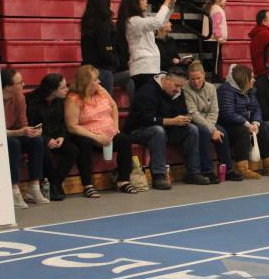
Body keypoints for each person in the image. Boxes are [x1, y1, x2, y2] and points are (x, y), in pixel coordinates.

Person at [0, 68, 48, 207]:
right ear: (8, 87)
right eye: (20, 83)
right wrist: (19, 132)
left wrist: (30, 132)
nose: (23, 84)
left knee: (36, 141)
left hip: (10, 135)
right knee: (12, 143)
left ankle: (34, 187)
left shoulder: (20, 97)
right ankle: (13, 189)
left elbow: (22, 123)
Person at [125, 67, 210, 189]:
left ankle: (193, 173)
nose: (178, 90)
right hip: (138, 129)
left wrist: (183, 119)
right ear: (166, 79)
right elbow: (145, 119)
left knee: (192, 129)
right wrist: (172, 121)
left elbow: (182, 111)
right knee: (158, 131)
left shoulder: (177, 92)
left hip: (166, 128)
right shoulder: (147, 91)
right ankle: (158, 176)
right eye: (176, 86)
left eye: (181, 86)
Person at [65, 65, 136, 197]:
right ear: (86, 82)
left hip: (107, 133)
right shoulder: (73, 99)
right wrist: (95, 137)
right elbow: (72, 126)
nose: (99, 81)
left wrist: (115, 127)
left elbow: (113, 106)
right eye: (95, 79)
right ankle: (88, 185)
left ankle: (123, 181)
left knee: (124, 139)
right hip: (86, 134)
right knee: (84, 143)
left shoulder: (100, 90)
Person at [183, 61, 242, 182]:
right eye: (192, 79)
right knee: (204, 132)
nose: (196, 82)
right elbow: (192, 113)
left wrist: (212, 128)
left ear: (204, 75)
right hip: (193, 121)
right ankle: (207, 171)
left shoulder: (211, 88)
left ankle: (228, 169)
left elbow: (214, 111)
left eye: (198, 78)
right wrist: (212, 130)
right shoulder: (185, 88)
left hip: (209, 122)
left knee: (222, 133)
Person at [26, 73, 77, 201]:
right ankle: (52, 185)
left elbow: (63, 122)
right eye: (63, 87)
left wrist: (62, 136)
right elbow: (30, 125)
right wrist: (47, 139)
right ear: (51, 90)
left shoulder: (60, 100)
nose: (67, 90)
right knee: (43, 150)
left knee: (72, 150)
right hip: (37, 136)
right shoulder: (31, 101)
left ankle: (55, 183)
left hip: (56, 136)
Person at [217, 64, 269, 179]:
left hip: (244, 123)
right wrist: (246, 124)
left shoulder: (250, 91)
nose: (254, 80)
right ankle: (243, 168)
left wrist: (255, 122)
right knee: (243, 132)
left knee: (262, 127)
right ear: (244, 79)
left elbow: (256, 109)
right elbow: (228, 114)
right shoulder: (225, 90)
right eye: (252, 78)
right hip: (228, 126)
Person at [118, 0, 177, 90]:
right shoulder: (133, 21)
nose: (146, 1)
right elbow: (157, 22)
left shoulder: (139, 21)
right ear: (135, 3)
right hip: (143, 68)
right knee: (147, 97)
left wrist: (170, 6)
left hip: (149, 68)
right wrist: (166, 1)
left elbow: (161, 23)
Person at [79, 0, 119, 95]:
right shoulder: (103, 24)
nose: (112, 4)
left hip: (87, 69)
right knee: (104, 102)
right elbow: (106, 48)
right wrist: (114, 59)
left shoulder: (88, 22)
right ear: (103, 4)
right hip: (102, 70)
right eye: (109, 2)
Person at [202, 0, 227, 75]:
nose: (226, 0)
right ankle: (216, 77)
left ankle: (215, 76)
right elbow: (216, 26)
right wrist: (219, 37)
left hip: (211, 39)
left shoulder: (211, 8)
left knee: (215, 60)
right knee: (216, 61)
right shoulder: (217, 10)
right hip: (215, 40)